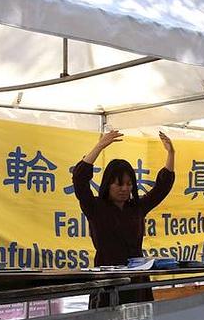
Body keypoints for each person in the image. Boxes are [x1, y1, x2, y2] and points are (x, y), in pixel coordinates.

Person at [70, 130, 175, 306]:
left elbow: (162, 188)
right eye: (119, 184)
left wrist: (171, 153)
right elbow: (79, 179)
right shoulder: (95, 207)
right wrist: (100, 146)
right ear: (107, 185)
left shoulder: (137, 207)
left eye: (128, 184)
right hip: (108, 278)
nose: (125, 188)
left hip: (137, 279)